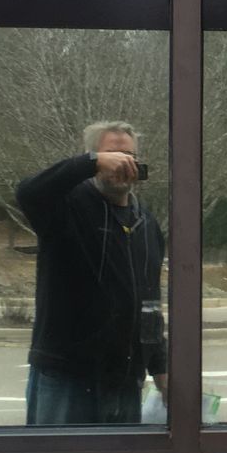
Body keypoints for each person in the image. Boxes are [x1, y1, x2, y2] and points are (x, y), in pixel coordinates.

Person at [15, 121, 167, 426]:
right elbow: (28, 192)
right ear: (94, 158)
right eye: (113, 155)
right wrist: (91, 163)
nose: (123, 164)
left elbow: (149, 305)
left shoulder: (146, 224)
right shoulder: (64, 208)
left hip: (124, 382)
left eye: (130, 156)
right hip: (66, 379)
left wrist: (160, 369)